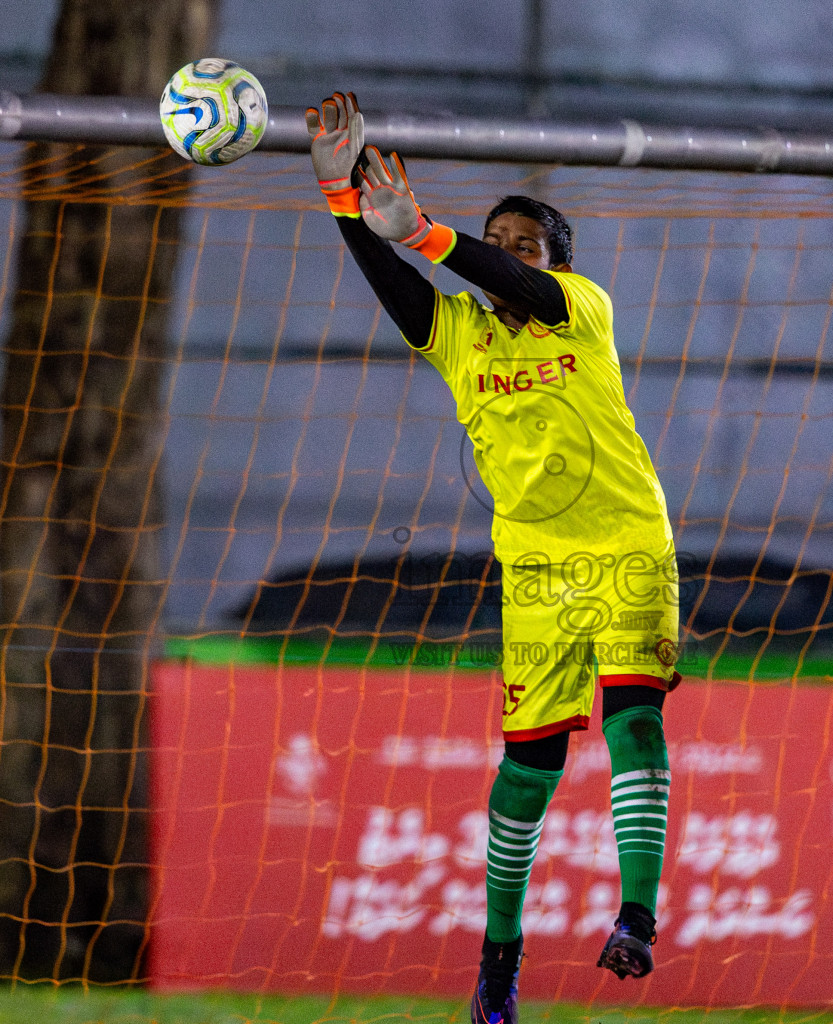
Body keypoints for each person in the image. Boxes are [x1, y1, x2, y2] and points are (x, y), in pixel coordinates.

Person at [305, 93, 682, 1024]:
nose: (508, 254)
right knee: (527, 771)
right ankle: (499, 959)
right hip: (537, 573)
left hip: (629, 547)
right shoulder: (462, 339)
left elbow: (513, 283)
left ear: (556, 264)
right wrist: (338, 194)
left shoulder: (579, 312)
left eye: (525, 243)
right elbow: (394, 287)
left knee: (635, 718)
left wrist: (431, 233)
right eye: (497, 240)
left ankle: (636, 916)